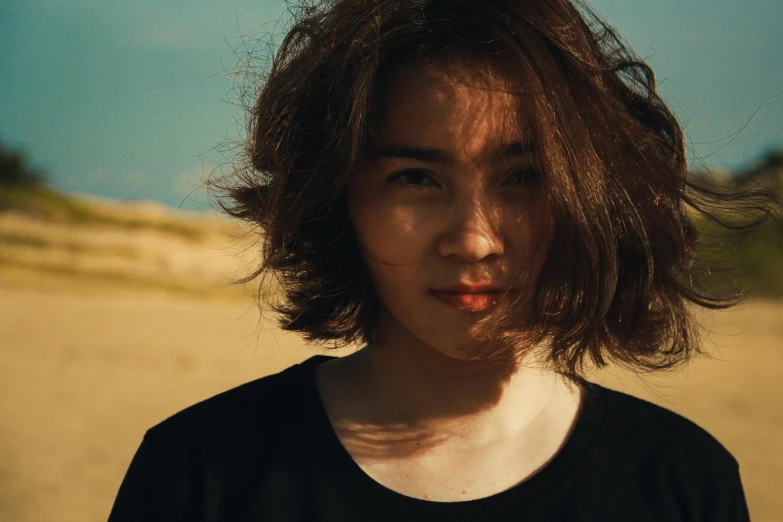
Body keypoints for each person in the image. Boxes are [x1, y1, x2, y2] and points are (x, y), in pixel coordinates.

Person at [107, 0, 773, 520]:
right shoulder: (200, 470)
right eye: (416, 179)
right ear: (338, 199)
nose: (475, 240)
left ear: (591, 198)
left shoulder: (680, 483)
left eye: (523, 178)